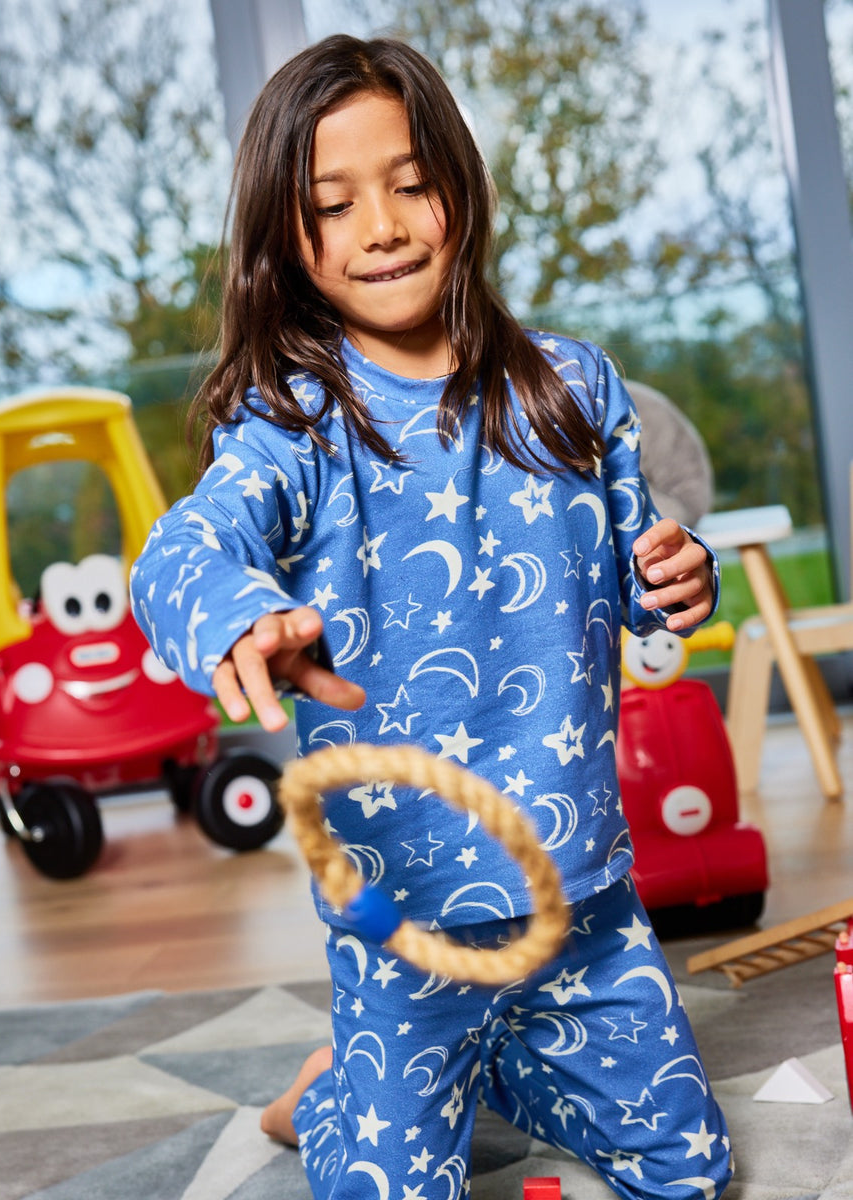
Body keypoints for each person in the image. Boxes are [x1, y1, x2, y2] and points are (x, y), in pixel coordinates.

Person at [130, 33, 733, 1200]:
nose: (383, 227)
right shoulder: (290, 424)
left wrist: (681, 571)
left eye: (410, 185)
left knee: (690, 1174)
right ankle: (342, 1094)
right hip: (404, 926)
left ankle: (504, 1063)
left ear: (460, 187)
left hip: (583, 896)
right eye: (334, 204)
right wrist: (238, 613)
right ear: (286, 235)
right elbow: (184, 550)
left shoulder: (575, 387)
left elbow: (643, 566)